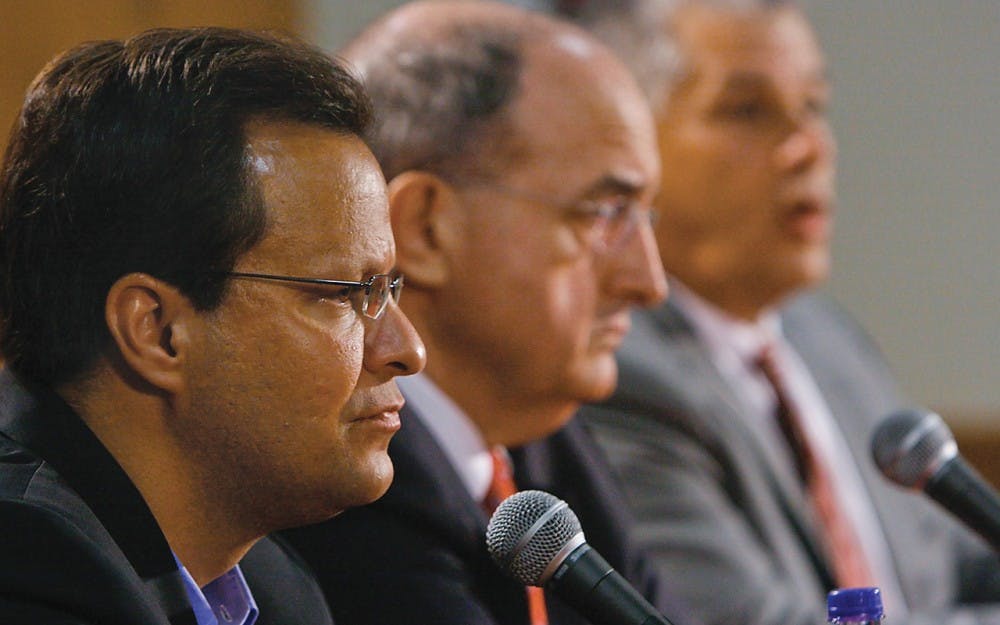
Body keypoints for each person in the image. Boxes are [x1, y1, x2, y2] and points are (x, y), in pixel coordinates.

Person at [538, 1, 1000, 624]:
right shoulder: (616, 375)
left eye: (813, 105)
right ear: (627, 142)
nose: (809, 147)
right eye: (747, 110)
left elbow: (954, 563)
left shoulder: (827, 338)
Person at [0, 27, 425, 625]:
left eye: (388, 287)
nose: (407, 350)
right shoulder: (30, 567)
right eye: (342, 294)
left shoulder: (276, 584)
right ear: (157, 330)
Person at [280, 2, 687, 624]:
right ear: (426, 227)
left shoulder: (545, 443)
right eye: (605, 213)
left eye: (645, 217)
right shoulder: (338, 486)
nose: (649, 282)